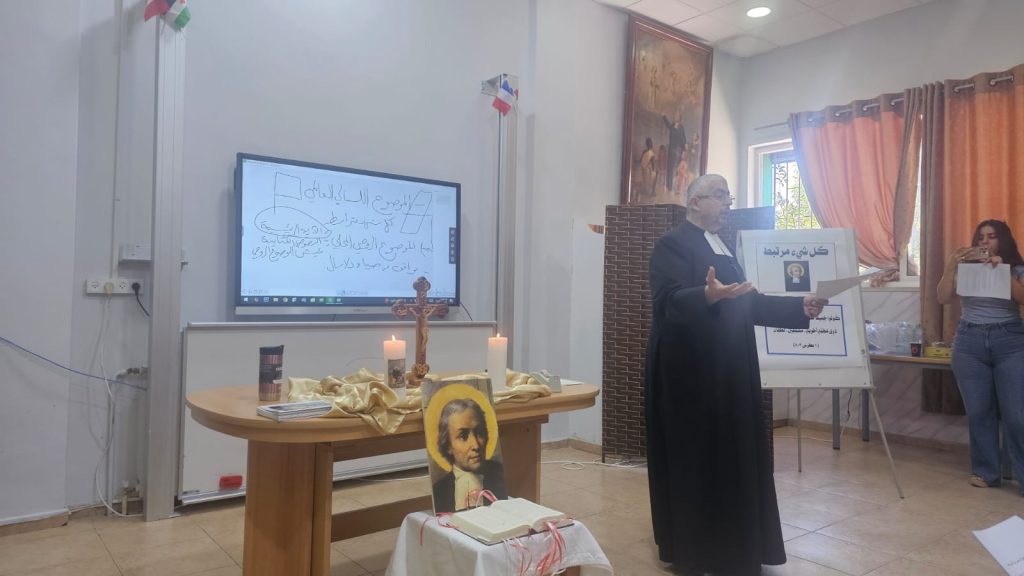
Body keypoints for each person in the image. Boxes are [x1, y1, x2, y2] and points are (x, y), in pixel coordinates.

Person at [645, 174, 828, 575]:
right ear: (694, 202)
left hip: (728, 372)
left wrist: (799, 307)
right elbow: (667, 302)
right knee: (698, 460)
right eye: (720, 195)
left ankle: (734, 547)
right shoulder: (671, 244)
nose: (728, 202)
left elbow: (747, 302)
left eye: (729, 196)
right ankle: (699, 551)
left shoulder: (722, 246)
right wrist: (705, 295)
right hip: (690, 377)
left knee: (731, 459)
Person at [936, 219, 1024, 492]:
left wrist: (1002, 270)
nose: (985, 241)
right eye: (980, 237)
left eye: (992, 236)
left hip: (1009, 340)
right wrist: (951, 265)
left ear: (1003, 240)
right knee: (978, 411)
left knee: (1017, 414)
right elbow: (942, 297)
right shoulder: (966, 270)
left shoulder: (1016, 269)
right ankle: (986, 472)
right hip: (969, 342)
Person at [431, 398, 508, 513]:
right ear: (448, 445)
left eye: (479, 432)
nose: (476, 445)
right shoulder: (439, 490)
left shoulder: (499, 474)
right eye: (463, 436)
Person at [663, 111, 687, 192]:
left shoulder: (681, 127)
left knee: (676, 168)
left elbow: (683, 139)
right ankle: (669, 185)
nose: (675, 117)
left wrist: (684, 149)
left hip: (677, 151)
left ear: (679, 118)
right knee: (670, 167)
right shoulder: (673, 125)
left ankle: (675, 187)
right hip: (671, 149)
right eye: (675, 115)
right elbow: (668, 126)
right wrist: (664, 117)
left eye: (676, 116)